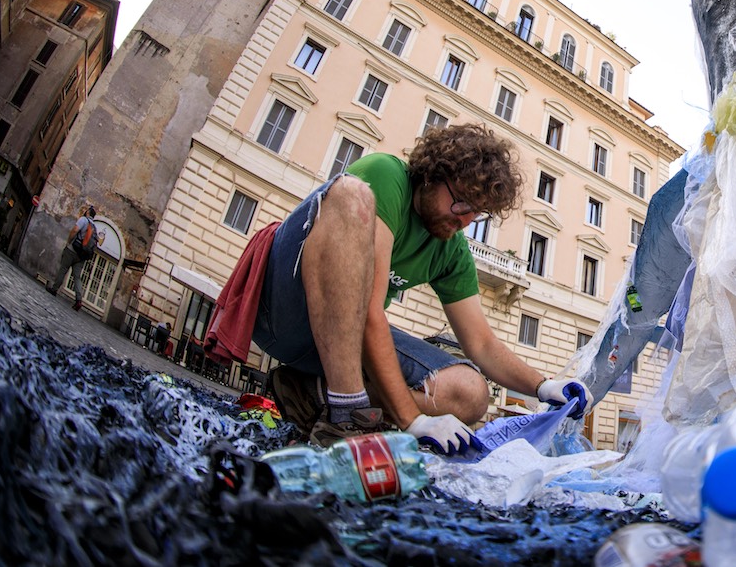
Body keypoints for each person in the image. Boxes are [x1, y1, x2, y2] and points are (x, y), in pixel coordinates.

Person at [254, 124, 592, 451]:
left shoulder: (452, 248)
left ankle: (310, 393)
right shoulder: (386, 175)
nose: (464, 220)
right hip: (283, 309)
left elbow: (482, 344)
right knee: (351, 193)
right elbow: (369, 310)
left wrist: (543, 385)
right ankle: (346, 417)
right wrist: (412, 419)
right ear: (431, 174)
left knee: (471, 392)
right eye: (460, 202)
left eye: (477, 212)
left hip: (338, 345)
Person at [49, 204, 99, 311]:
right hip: (82, 256)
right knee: (77, 277)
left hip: (73, 250)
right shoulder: (95, 227)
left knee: (63, 269)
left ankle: (54, 289)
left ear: (88, 212)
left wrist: (69, 241)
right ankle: (79, 300)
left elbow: (75, 230)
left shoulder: (83, 220)